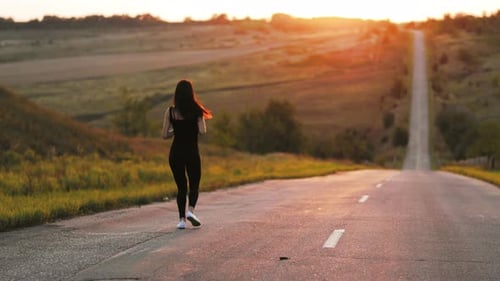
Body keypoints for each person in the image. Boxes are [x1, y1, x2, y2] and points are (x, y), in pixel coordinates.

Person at [162, 79, 212, 229]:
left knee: (181, 187)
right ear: (191, 94)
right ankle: (190, 211)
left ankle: (181, 220)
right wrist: (193, 124)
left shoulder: (170, 111)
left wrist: (177, 129)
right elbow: (203, 131)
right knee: (194, 184)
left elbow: (165, 134)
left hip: (176, 153)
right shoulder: (197, 111)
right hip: (191, 153)